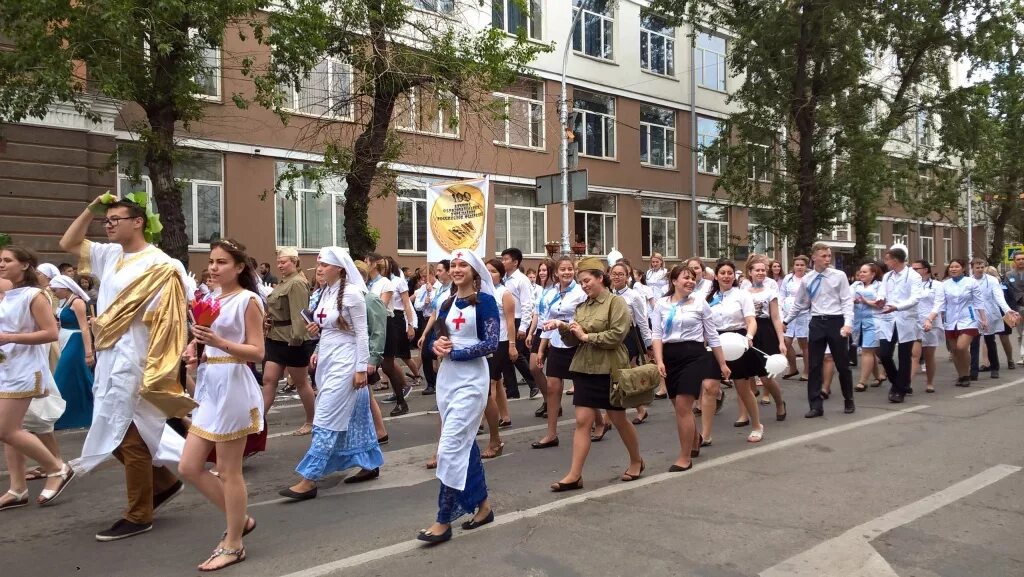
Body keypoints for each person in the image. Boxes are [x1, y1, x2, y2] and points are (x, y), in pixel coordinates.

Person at [60, 194, 192, 540]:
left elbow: (172, 320)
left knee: (130, 437)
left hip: (139, 358)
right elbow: (69, 242)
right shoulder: (109, 256)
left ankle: (138, 514)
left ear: (139, 222)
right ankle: (163, 482)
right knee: (112, 429)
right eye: (108, 219)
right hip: (109, 355)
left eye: (117, 218)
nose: (109, 223)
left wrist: (158, 366)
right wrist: (91, 207)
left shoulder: (162, 264)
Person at [178, 239, 265, 571]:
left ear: (239, 267)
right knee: (188, 467)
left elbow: (257, 352)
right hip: (209, 386)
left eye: (222, 262)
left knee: (229, 471)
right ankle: (239, 519)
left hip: (233, 386)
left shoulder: (248, 300)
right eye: (212, 261)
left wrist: (219, 343)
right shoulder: (211, 297)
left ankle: (234, 543)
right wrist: (194, 347)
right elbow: (204, 336)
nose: (214, 267)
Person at [279, 247, 383, 499]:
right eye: (319, 265)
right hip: (327, 359)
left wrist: (361, 369)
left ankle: (310, 478)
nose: (320, 269)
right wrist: (317, 335)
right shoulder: (325, 293)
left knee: (324, 416)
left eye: (325, 264)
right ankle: (369, 463)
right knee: (355, 415)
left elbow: (361, 334)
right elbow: (329, 328)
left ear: (339, 268)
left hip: (346, 361)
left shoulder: (353, 295)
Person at [416, 250, 499, 544]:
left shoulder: (486, 302)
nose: (457, 268)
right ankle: (484, 506)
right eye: (453, 265)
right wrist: (436, 347)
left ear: (475, 272)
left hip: (473, 379)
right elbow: (434, 342)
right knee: (464, 442)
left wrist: (458, 353)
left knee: (449, 447)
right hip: (448, 380)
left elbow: (491, 343)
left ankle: (443, 519)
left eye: (463, 264)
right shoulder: (447, 302)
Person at [547, 257, 643, 491]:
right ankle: (574, 475)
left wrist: (586, 336)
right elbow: (572, 341)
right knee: (582, 421)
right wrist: (562, 328)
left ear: (601, 278)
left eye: (587, 280)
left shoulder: (616, 303)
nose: (584, 285)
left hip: (610, 369)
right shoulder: (582, 307)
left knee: (619, 419)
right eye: (581, 282)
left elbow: (617, 335)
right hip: (585, 368)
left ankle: (636, 460)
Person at [0, 248, 74, 511]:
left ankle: (57, 468)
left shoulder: (34, 295)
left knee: (7, 430)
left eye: (7, 260)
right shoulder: (9, 294)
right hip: (7, 368)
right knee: (11, 432)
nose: (1, 264)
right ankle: (17, 488)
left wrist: (9, 338)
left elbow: (50, 332)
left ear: (25, 265)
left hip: (25, 370)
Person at [652, 265, 729, 472]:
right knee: (676, 405)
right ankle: (694, 439)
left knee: (683, 406)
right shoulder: (661, 304)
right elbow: (657, 335)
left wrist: (722, 363)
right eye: (685, 278)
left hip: (694, 356)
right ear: (674, 281)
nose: (690, 282)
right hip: (670, 357)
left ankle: (684, 456)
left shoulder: (700, 303)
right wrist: (659, 361)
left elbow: (712, 335)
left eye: (693, 278)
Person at [783, 243, 855, 418]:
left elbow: (846, 300)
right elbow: (800, 303)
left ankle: (849, 399)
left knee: (842, 364)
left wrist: (847, 323)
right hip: (816, 322)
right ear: (814, 257)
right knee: (814, 365)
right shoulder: (808, 279)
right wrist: (786, 321)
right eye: (823, 256)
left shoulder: (839, 276)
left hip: (836, 321)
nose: (827, 259)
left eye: (829, 256)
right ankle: (815, 405)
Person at [699, 260, 764, 445]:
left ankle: (757, 425)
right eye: (723, 273)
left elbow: (751, 320)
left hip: (737, 341)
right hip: (715, 342)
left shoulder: (741, 295)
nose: (726, 276)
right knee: (709, 386)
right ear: (716, 276)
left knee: (743, 388)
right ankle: (706, 434)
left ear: (733, 275)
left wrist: (749, 336)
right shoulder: (708, 297)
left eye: (729, 273)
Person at [532, 256, 586, 448]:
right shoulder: (550, 293)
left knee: (583, 388)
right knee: (553, 388)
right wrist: (540, 349)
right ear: (556, 273)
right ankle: (551, 434)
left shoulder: (580, 292)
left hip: (575, 344)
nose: (566, 272)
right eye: (562, 269)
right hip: (556, 344)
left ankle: (600, 422)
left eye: (570, 269)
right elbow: (547, 322)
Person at [262, 247, 316, 435]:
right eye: (278, 262)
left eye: (283, 262)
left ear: (294, 261)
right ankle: (257, 422)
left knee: (301, 383)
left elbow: (300, 314)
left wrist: (297, 340)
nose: (280, 265)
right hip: (276, 338)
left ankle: (311, 421)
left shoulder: (297, 283)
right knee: (268, 380)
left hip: (292, 341)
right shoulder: (285, 282)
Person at [927, 258, 986, 386]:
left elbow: (978, 302)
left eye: (956, 267)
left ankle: (966, 373)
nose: (953, 269)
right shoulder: (944, 285)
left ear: (963, 269)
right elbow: (939, 304)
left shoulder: (971, 283)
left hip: (968, 319)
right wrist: (931, 318)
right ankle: (961, 375)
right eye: (951, 267)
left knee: (961, 347)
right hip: (951, 320)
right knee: (954, 350)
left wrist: (983, 319)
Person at [609, 262, 653, 426]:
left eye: (621, 274)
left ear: (628, 277)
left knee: (627, 374)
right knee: (615, 374)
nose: (617, 277)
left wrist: (648, 345)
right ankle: (614, 411)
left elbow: (642, 321)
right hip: (613, 337)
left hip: (630, 336)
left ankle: (640, 409)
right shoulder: (608, 294)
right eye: (614, 273)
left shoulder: (634, 296)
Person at [48, 275, 95, 430]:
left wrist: (88, 353)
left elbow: (84, 328)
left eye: (55, 290)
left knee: (62, 376)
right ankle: (84, 412)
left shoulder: (77, 302)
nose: (54, 293)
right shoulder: (66, 301)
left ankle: (63, 416)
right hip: (67, 340)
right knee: (79, 377)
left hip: (75, 342)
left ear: (64, 287)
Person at [366, 253, 410, 416]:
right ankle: (399, 400)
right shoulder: (368, 283)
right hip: (372, 324)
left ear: (374, 264)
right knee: (378, 366)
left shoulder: (385, 283)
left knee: (387, 366)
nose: (365, 263)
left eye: (366, 261)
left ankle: (401, 401)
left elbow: (381, 306)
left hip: (386, 324)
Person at [744, 257, 787, 421]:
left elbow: (776, 318)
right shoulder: (743, 292)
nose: (761, 272)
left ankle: (779, 403)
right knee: (746, 375)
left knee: (766, 376)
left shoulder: (770, 292)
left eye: (763, 270)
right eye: (757, 270)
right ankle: (748, 413)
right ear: (750, 272)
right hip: (748, 331)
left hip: (766, 332)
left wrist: (781, 341)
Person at [482, 258, 516, 457]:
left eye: (494, 271)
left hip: (501, 341)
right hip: (486, 341)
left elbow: (510, 321)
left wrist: (512, 345)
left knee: (492, 382)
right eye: (486, 271)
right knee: (497, 379)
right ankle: (505, 415)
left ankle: (483, 421)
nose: (490, 274)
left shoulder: (504, 293)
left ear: (501, 274)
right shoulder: (482, 292)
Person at [500, 248, 538, 399]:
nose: (503, 262)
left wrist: (523, 327)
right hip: (505, 319)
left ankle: (534, 381)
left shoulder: (521, 280)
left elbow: (527, 304)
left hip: (518, 319)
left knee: (516, 354)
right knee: (505, 355)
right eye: (502, 259)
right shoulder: (504, 279)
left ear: (515, 262)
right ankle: (512, 390)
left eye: (506, 259)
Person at [969, 258, 1015, 380]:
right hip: (973, 315)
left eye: (982, 267)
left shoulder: (992, 280)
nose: (980, 269)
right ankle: (973, 371)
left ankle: (994, 368)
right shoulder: (968, 281)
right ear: (972, 268)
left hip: (989, 313)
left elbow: (999, 297)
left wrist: (1007, 310)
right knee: (974, 343)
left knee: (990, 341)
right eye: (977, 267)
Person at [418, 261, 452, 397]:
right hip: (436, 326)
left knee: (445, 362)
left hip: (447, 328)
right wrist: (424, 334)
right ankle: (434, 386)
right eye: (436, 270)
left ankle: (445, 394)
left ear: (448, 272)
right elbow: (434, 313)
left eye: (440, 270)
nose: (437, 273)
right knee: (426, 354)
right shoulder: (439, 289)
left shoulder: (452, 289)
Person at [525, 259, 554, 406]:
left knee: (553, 374)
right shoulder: (539, 290)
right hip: (539, 331)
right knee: (534, 368)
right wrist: (530, 332)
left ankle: (553, 403)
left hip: (552, 332)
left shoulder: (555, 289)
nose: (542, 273)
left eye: (545, 270)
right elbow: (537, 313)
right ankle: (547, 400)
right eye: (540, 270)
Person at [910, 260, 942, 393]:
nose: (913, 271)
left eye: (916, 269)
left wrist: (930, 319)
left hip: (931, 323)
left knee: (929, 356)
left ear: (926, 270)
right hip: (913, 323)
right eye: (912, 269)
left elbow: (938, 304)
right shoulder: (910, 285)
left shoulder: (937, 285)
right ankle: (907, 384)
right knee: (914, 355)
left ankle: (929, 382)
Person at [851, 263, 883, 392]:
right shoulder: (855, 285)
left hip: (873, 322)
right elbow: (846, 298)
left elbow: (881, 303)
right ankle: (878, 376)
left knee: (867, 350)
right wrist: (853, 301)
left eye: (865, 272)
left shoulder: (879, 286)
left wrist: (865, 302)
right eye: (861, 272)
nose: (861, 274)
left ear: (873, 274)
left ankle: (862, 381)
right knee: (869, 351)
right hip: (858, 322)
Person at [1003, 250, 1024, 365]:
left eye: (1023, 259)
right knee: (1021, 333)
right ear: (1014, 261)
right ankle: (1022, 355)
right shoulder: (1009, 275)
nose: (1021, 261)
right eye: (1018, 259)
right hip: (1017, 307)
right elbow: (1006, 291)